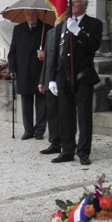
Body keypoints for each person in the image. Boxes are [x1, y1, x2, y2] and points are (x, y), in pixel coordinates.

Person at [46, 0, 102, 166]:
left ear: (85, 4)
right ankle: (67, 150)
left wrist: (78, 32)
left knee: (84, 117)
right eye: (70, 3)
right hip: (63, 77)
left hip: (82, 76)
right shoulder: (62, 24)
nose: (71, 6)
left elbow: (92, 47)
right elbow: (57, 52)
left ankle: (83, 151)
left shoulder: (94, 24)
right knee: (65, 115)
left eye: (75, 3)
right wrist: (52, 77)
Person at [8, 9, 52, 140]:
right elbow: (13, 51)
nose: (30, 17)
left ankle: (39, 130)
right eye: (28, 14)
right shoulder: (18, 29)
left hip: (40, 70)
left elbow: (52, 50)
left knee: (41, 102)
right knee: (26, 101)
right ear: (24, 15)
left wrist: (44, 53)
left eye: (33, 14)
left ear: (38, 15)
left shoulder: (47, 29)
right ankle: (28, 130)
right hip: (23, 70)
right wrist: (12, 68)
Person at [38, 18, 67, 155]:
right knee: (52, 112)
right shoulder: (50, 33)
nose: (58, 21)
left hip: (64, 77)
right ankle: (54, 142)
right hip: (50, 77)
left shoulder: (69, 31)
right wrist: (42, 80)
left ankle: (67, 142)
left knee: (65, 113)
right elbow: (47, 59)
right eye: (56, 18)